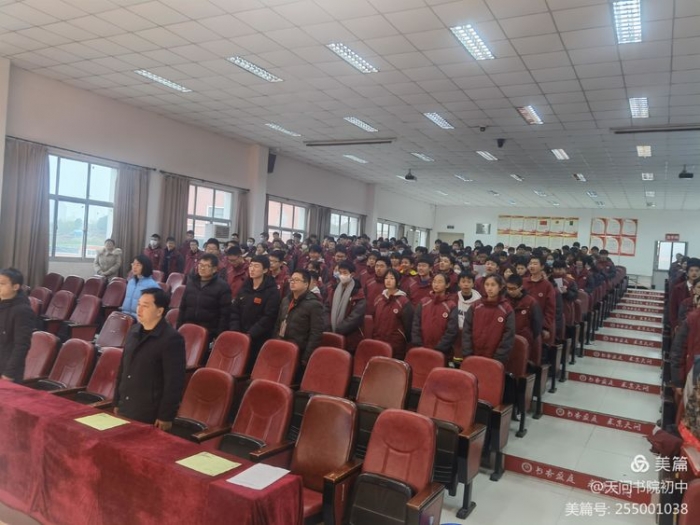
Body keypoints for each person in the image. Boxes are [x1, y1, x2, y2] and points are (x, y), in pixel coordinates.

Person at [113, 287, 186, 428]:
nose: (139, 310)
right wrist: (117, 401)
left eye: (145, 306)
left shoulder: (171, 339)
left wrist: (166, 415)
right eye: (138, 304)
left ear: (159, 311)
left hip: (149, 412)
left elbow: (174, 382)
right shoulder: (133, 331)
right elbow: (123, 369)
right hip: (125, 405)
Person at [229, 255, 281, 371]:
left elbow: (268, 317)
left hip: (258, 339)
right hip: (239, 334)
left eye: (256, 266)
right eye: (251, 266)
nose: (252, 269)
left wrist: (250, 334)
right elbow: (235, 310)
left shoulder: (272, 291)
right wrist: (235, 329)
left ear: (265, 270)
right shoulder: (245, 287)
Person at [273, 269, 324, 367]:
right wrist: (275, 341)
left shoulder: (314, 305)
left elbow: (316, 334)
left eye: (296, 280)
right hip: (281, 346)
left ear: (306, 284)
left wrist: (306, 357)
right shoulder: (286, 300)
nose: (292, 282)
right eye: (291, 280)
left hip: (299, 351)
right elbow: (278, 324)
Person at [179, 253, 232, 343]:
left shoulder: (223, 287)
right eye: (200, 265)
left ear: (214, 269)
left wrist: (218, 335)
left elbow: (224, 315)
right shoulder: (191, 283)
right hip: (188, 328)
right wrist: (179, 327)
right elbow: (183, 307)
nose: (202, 268)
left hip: (209, 332)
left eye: (206, 266)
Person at [462, 274, 515, 364]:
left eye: (493, 285)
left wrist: (499, 357)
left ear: (500, 287)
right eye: (487, 284)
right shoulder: (476, 305)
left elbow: (508, 335)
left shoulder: (507, 309)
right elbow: (467, 329)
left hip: (495, 357)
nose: (489, 288)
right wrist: (467, 352)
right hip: (473, 354)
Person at [411, 272, 459, 357]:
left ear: (447, 285)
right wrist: (418, 344)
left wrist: (439, 348)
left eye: (440, 282)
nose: (436, 284)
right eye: (434, 281)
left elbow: (452, 331)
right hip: (422, 348)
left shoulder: (451, 305)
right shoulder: (424, 302)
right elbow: (416, 324)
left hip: (441, 352)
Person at [0, 268, 35, 382]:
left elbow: (22, 345)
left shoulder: (22, 310)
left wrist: (9, 373)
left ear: (15, 287)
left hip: (7, 369)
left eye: (2, 284)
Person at [326, 261, 366, 353]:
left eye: (345, 273)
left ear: (352, 275)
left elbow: (355, 317)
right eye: (340, 273)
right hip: (331, 332)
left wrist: (339, 329)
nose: (341, 275)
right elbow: (327, 308)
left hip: (350, 336)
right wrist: (328, 326)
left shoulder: (358, 294)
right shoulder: (334, 290)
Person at [372, 268, 413, 359]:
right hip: (379, 340)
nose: (388, 281)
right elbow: (374, 319)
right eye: (386, 278)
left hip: (396, 344)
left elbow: (408, 326)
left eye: (392, 278)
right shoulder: (379, 299)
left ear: (398, 282)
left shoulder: (404, 302)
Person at [505, 274, 543, 358]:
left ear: (521, 287)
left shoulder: (531, 302)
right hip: (506, 340)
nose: (510, 291)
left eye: (513, 289)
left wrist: (529, 336)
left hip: (525, 339)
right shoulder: (504, 301)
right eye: (508, 288)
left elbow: (537, 326)